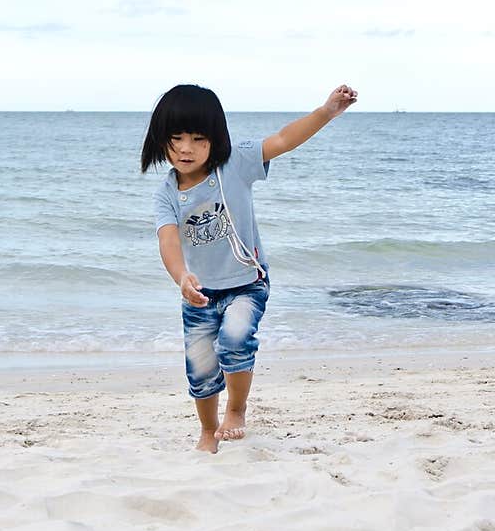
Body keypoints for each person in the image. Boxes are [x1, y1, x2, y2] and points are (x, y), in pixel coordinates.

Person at [141, 81, 358, 452]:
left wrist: (326, 112)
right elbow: (168, 239)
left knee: (235, 342)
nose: (187, 149)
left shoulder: (235, 164)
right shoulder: (167, 193)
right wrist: (182, 277)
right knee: (201, 366)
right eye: (176, 138)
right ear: (162, 141)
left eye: (198, 138)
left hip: (246, 282)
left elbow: (283, 139)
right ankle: (208, 430)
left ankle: (236, 410)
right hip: (200, 294)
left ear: (216, 137)